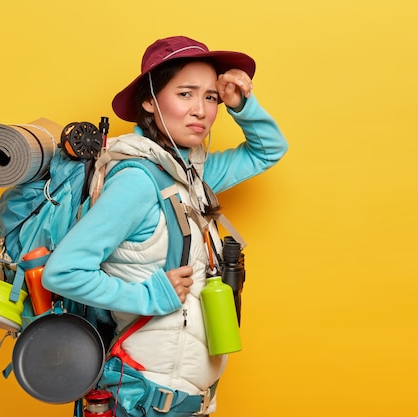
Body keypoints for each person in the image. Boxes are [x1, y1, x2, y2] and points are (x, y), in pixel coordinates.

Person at [42, 35, 288, 416]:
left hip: (186, 401)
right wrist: (150, 296)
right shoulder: (139, 181)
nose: (201, 111)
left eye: (210, 97)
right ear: (149, 101)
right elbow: (62, 272)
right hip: (143, 397)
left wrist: (242, 105)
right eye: (186, 94)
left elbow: (269, 150)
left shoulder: (192, 176)